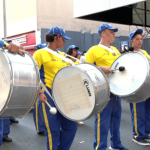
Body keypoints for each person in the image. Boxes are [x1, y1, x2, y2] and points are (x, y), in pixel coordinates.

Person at [33, 26, 78, 150]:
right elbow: (32, 74)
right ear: (57, 37)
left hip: (65, 93)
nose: (65, 41)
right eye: (63, 39)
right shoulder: (40, 53)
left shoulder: (63, 55)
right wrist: (39, 92)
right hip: (48, 94)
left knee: (71, 127)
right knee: (53, 130)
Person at [85, 23, 129, 150]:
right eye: (111, 32)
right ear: (103, 33)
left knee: (116, 118)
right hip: (102, 90)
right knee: (103, 121)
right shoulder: (93, 50)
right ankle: (100, 147)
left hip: (116, 89)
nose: (114, 33)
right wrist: (100, 68)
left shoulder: (115, 50)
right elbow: (85, 69)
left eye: (114, 32)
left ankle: (116, 144)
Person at [129, 29, 150, 146]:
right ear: (132, 41)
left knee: (147, 111)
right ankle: (138, 136)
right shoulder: (129, 54)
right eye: (137, 39)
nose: (140, 41)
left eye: (141, 39)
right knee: (138, 112)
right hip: (136, 88)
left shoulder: (145, 53)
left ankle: (146, 133)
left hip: (147, 87)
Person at [32, 43, 48, 135]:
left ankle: (45, 126)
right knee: (38, 107)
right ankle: (40, 128)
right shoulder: (37, 57)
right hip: (39, 84)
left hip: (47, 85)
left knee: (45, 109)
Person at [67, 45, 84, 125]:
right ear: (70, 51)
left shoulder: (77, 60)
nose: (76, 52)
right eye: (74, 50)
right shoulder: (66, 59)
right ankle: (70, 117)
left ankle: (77, 118)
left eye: (76, 50)